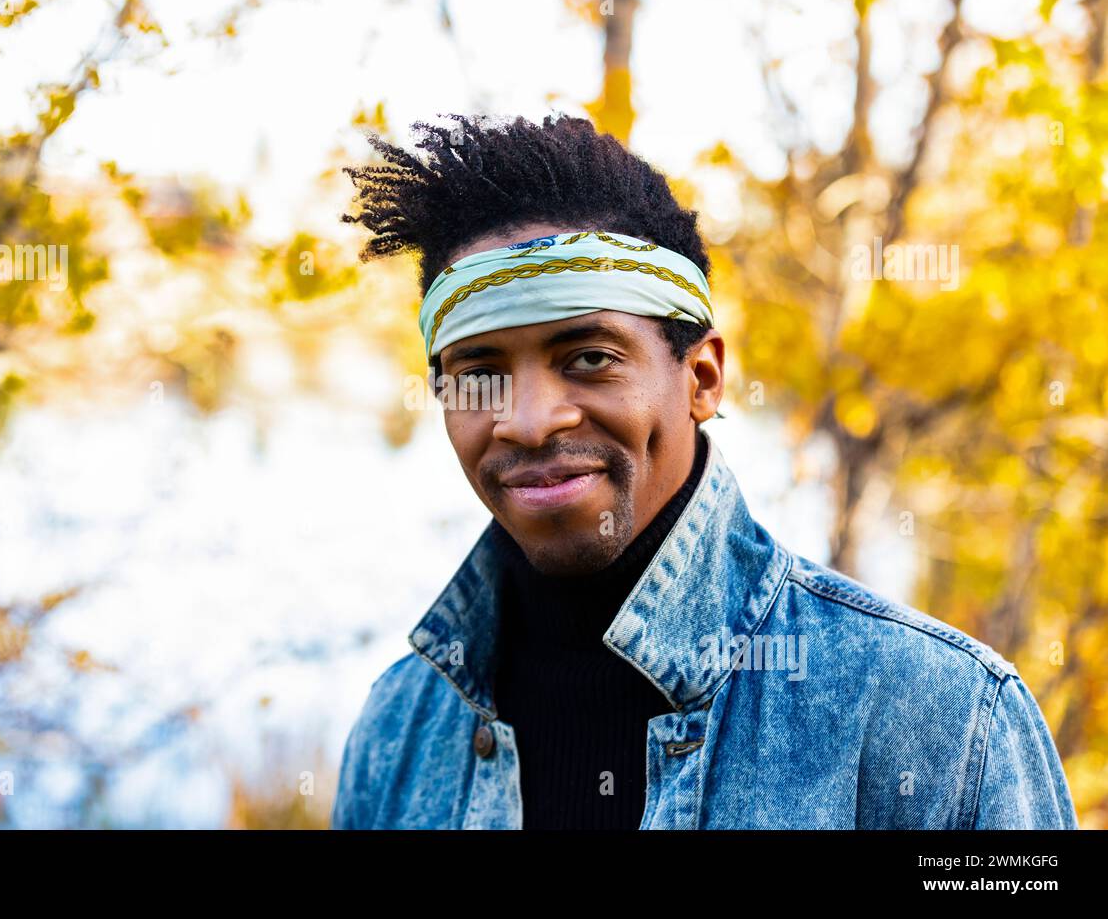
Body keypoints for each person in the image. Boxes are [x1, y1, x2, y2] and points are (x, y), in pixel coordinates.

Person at [329, 112, 1077, 829]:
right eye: (479, 373)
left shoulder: (938, 714)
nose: (527, 421)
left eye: (589, 358)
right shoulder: (397, 733)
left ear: (703, 377)